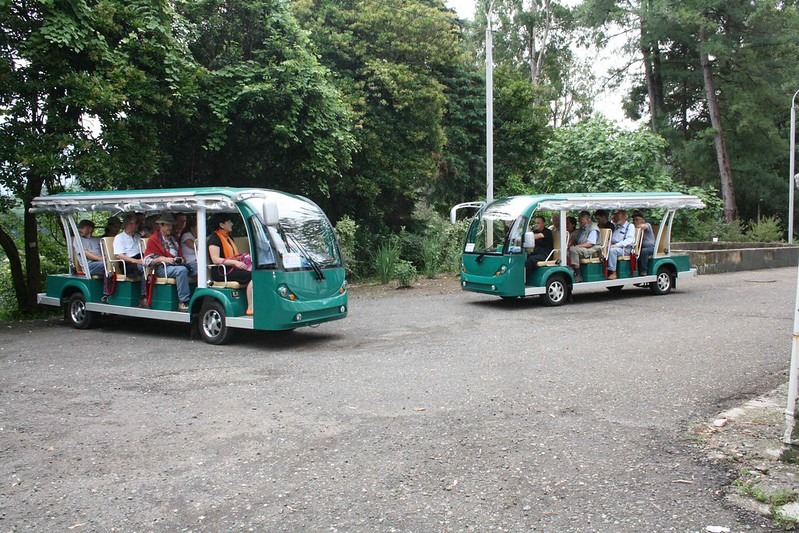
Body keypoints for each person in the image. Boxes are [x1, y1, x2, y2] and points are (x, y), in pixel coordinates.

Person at [208, 213, 253, 315]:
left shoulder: (228, 237)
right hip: (221, 272)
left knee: (256, 272)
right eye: (229, 222)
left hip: (231, 269)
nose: (232, 224)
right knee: (253, 276)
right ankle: (250, 307)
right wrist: (235, 262)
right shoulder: (214, 239)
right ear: (221, 225)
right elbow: (215, 259)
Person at [144, 213, 191, 312]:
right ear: (161, 225)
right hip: (161, 268)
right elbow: (147, 261)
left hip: (176, 265)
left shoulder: (173, 238)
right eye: (168, 225)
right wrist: (163, 259)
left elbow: (179, 254)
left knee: (198, 266)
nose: (170, 227)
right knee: (181, 270)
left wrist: (180, 259)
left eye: (171, 225)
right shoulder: (154, 239)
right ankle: (184, 301)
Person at [112, 213, 146, 302]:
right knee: (145, 268)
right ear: (129, 224)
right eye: (136, 223)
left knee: (153, 265)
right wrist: (136, 261)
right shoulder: (119, 237)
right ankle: (144, 296)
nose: (137, 225)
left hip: (140, 258)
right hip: (127, 263)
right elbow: (120, 255)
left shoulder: (138, 237)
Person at [567, 211, 601, 282]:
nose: (579, 222)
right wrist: (570, 242)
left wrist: (577, 246)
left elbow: (590, 244)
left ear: (588, 220)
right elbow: (575, 236)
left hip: (592, 250)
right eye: (579, 220)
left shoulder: (593, 228)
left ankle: (578, 274)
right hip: (583, 249)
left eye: (581, 221)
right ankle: (569, 270)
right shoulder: (582, 228)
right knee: (565, 250)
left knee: (573, 250)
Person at [606, 210, 636, 280]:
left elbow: (630, 240)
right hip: (616, 246)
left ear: (625, 217)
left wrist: (617, 245)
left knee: (612, 251)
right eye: (616, 216)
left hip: (626, 248)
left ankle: (613, 272)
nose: (616, 218)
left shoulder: (630, 226)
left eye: (618, 216)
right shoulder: (617, 226)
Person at [524, 215, 554, 280]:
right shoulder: (535, 232)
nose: (536, 225)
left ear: (544, 224)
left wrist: (524, 238)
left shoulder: (547, 232)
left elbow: (538, 236)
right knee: (523, 257)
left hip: (546, 254)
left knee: (531, 260)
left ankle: (525, 278)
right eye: (535, 223)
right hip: (536, 254)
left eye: (538, 223)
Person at [632, 211, 655, 275]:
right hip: (639, 247)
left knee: (644, 251)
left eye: (636, 220)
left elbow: (644, 226)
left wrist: (636, 226)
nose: (635, 221)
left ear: (642, 220)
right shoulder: (634, 228)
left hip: (650, 248)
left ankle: (643, 271)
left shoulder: (648, 225)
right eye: (634, 220)